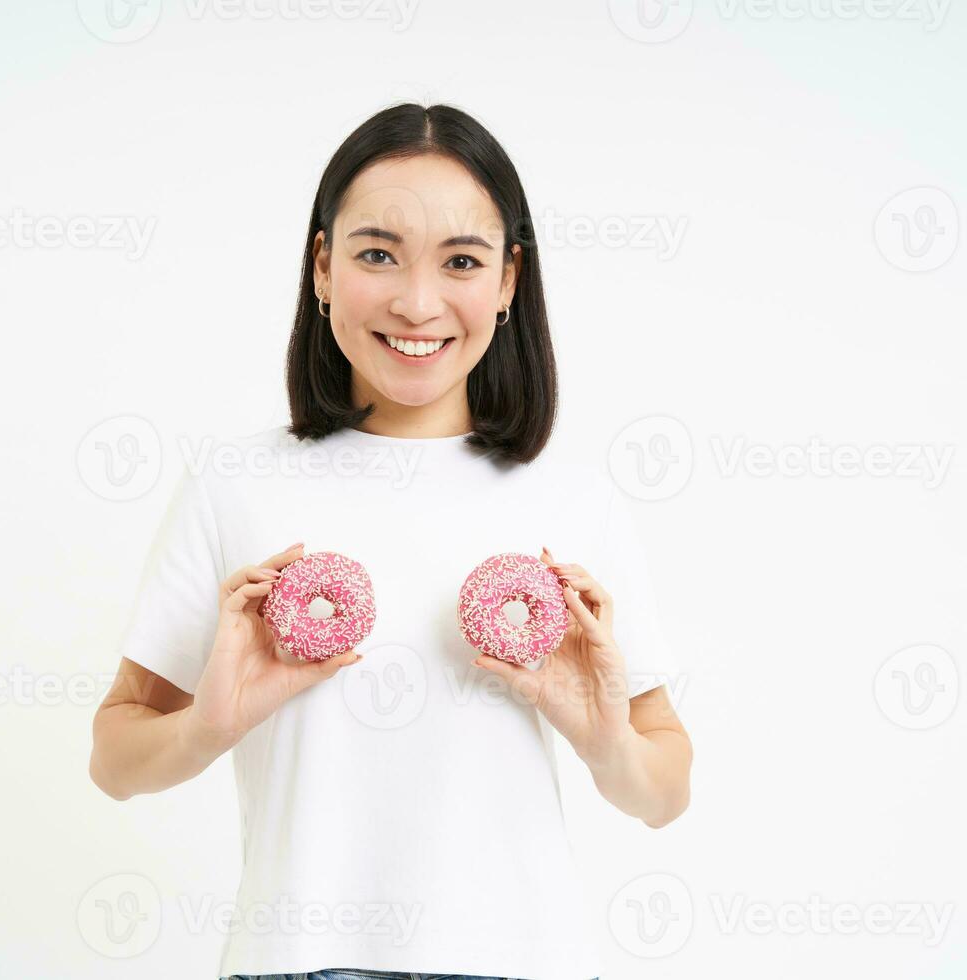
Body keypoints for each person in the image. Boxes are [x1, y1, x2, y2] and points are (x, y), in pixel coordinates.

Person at [89, 102, 693, 980]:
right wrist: (209, 726)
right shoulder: (236, 483)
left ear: (509, 280)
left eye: (461, 261)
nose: (418, 302)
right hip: (295, 958)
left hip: (522, 959)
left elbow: (665, 792)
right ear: (323, 266)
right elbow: (115, 761)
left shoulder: (571, 497)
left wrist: (602, 739)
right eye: (378, 253)